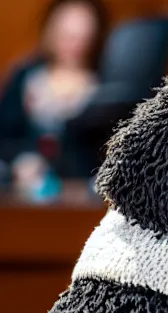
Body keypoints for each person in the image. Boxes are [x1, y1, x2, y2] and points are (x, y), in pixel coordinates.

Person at [0, 0, 108, 200]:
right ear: (50, 31)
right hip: (25, 192)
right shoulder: (26, 77)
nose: (72, 44)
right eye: (65, 35)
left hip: (82, 192)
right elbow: (4, 135)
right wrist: (21, 160)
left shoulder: (105, 84)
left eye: (80, 37)